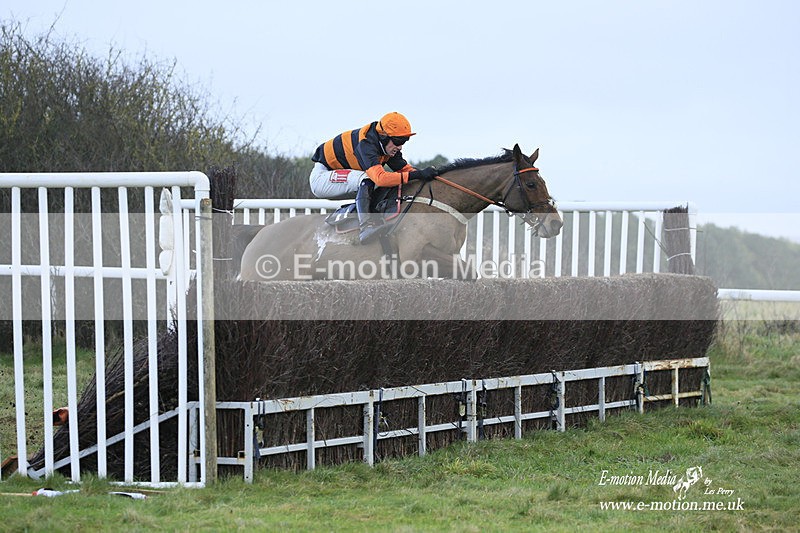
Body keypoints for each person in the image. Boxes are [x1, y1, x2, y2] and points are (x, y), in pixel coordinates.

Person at [309, 112, 438, 243]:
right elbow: (380, 179)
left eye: (404, 141)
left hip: (340, 174)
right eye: (398, 141)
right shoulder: (366, 144)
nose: (400, 147)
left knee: (387, 182)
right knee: (368, 179)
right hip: (322, 178)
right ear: (383, 136)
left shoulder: (386, 146)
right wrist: (417, 175)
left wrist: (427, 176)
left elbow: (405, 170)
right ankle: (366, 227)